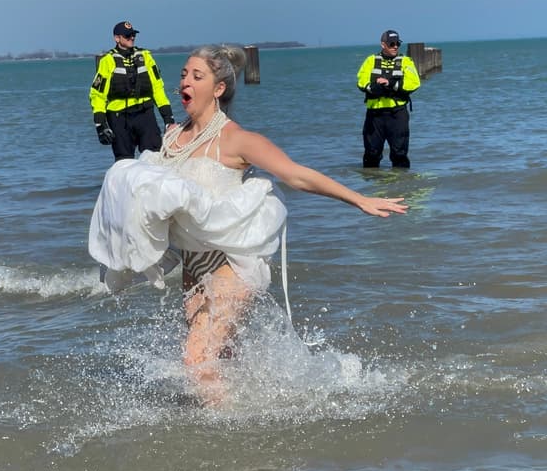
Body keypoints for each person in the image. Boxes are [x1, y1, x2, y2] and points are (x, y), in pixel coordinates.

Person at [89, 44, 407, 405]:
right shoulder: (172, 139)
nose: (184, 83)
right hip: (194, 264)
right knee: (221, 359)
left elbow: (296, 175)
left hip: (233, 262)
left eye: (197, 76)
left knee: (196, 360)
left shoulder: (237, 140)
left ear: (219, 88)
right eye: (182, 75)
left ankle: (224, 443)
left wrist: (360, 199)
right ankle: (251, 422)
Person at [89, 20, 176, 160]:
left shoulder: (146, 57)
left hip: (145, 114)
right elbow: (97, 95)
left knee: (154, 156)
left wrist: (168, 118)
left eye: (133, 35)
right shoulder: (107, 61)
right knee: (124, 160)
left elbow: (158, 88)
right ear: (117, 38)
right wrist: (101, 125)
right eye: (127, 36)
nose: (132, 38)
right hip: (119, 118)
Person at [356, 29, 420, 168]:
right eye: (392, 43)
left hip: (397, 114)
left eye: (398, 43)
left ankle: (401, 186)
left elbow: (414, 83)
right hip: (375, 115)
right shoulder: (370, 60)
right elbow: (361, 81)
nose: (395, 46)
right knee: (371, 154)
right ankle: (370, 185)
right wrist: (374, 87)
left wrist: (390, 83)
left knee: (399, 153)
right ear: (383, 44)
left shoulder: (405, 61)